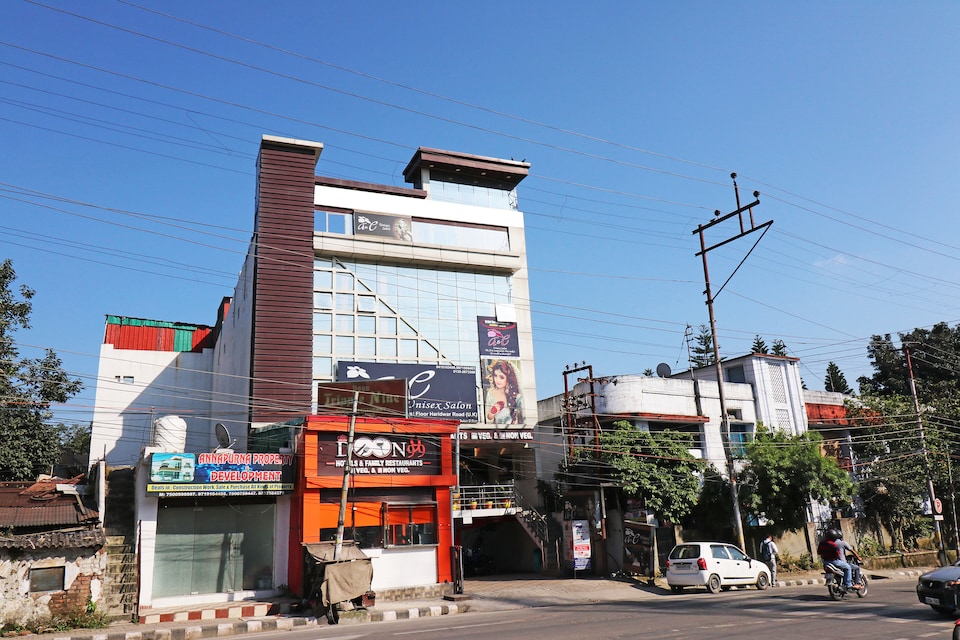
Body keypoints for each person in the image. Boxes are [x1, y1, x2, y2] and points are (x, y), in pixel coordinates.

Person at [484, 359, 524, 424]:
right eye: (495, 376)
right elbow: (488, 420)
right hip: (495, 432)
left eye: (501, 377)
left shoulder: (517, 397)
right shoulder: (490, 394)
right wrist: (493, 412)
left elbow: (524, 421)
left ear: (508, 379)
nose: (497, 380)